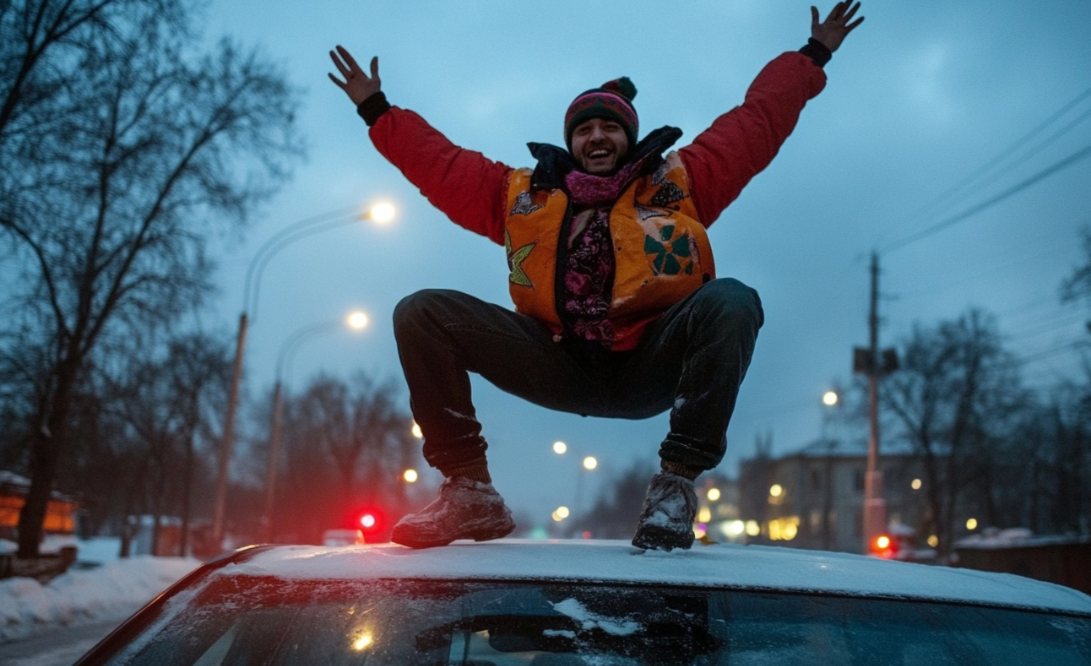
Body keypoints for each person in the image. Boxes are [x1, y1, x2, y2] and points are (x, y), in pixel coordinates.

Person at [329, 2, 864, 551]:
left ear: (629, 136)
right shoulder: (522, 197)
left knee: (732, 299)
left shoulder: (683, 182)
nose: (597, 136)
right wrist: (377, 110)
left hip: (650, 361)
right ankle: (470, 491)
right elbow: (442, 165)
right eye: (584, 129)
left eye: (610, 126)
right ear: (571, 142)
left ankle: (674, 489)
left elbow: (756, 123)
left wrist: (811, 56)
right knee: (422, 312)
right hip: (556, 361)